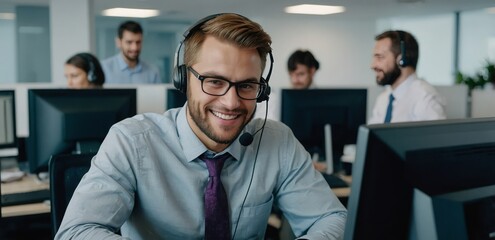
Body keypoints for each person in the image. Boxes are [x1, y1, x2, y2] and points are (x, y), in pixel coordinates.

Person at [55, 13, 346, 240]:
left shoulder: (276, 142)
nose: (231, 102)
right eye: (215, 81)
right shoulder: (132, 141)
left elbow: (334, 220)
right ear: (184, 81)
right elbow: (77, 231)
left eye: (246, 85)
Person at [368, 30, 446, 124]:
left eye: (379, 57)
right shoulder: (384, 98)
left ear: (401, 60)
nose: (372, 65)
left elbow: (437, 138)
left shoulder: (425, 100)